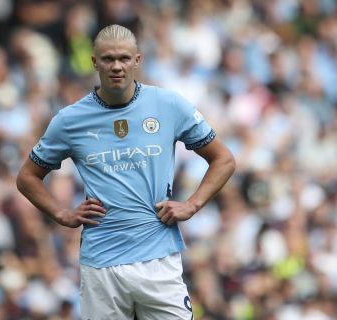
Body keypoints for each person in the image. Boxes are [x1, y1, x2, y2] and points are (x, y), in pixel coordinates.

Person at [16, 24, 235, 320]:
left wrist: (192, 204)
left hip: (159, 257)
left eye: (123, 58)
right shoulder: (70, 120)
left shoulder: (168, 105)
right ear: (94, 62)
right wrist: (61, 214)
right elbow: (27, 177)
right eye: (107, 59)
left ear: (137, 60)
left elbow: (223, 159)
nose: (116, 66)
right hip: (102, 263)